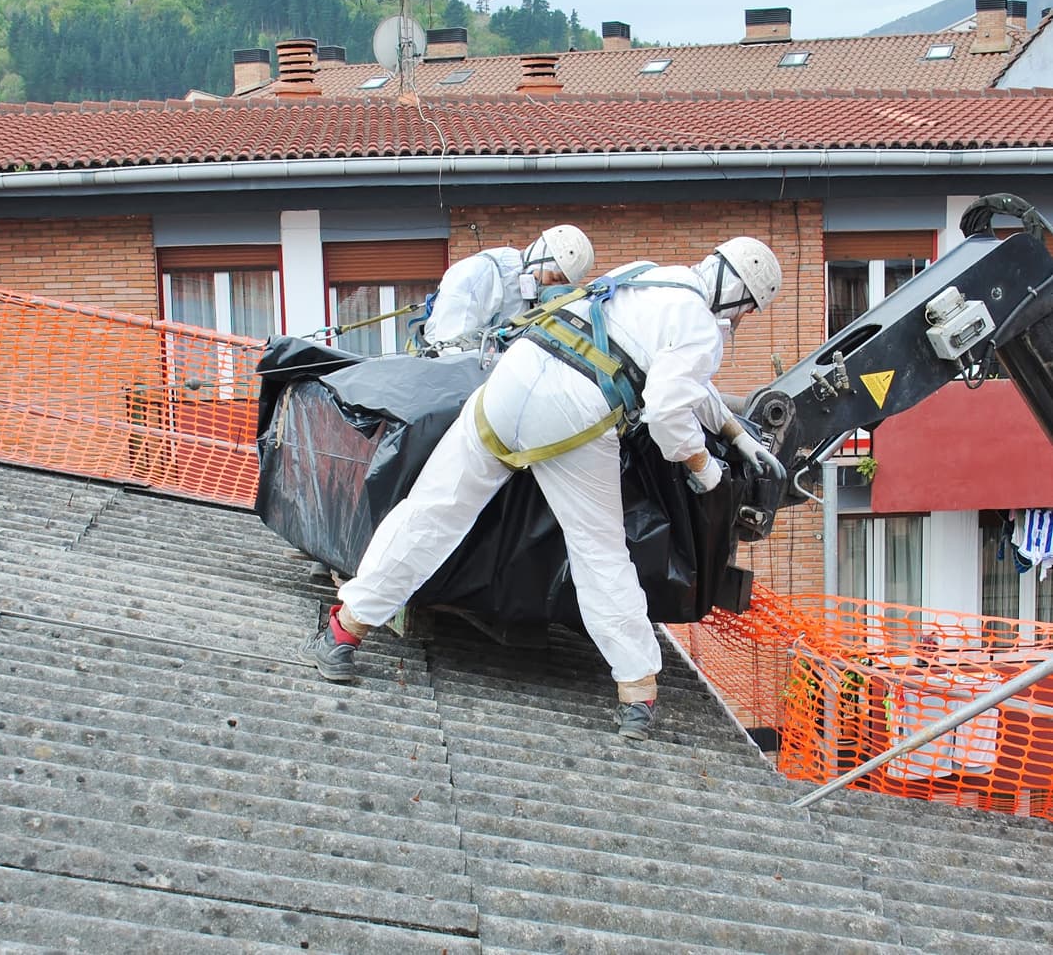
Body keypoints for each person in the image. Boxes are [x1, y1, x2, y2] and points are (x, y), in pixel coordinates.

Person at [300, 236, 786, 741]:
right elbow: (667, 410)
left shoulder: (648, 273)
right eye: (749, 310)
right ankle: (637, 693)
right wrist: (706, 468)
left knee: (432, 512)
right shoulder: (702, 329)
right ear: (742, 298)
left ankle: (342, 634)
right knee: (600, 554)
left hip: (513, 381)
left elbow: (677, 377)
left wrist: (732, 430)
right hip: (572, 416)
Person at [416, 225, 595, 354]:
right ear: (539, 258)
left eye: (561, 284)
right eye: (554, 278)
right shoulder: (478, 273)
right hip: (443, 376)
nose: (552, 288)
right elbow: (452, 350)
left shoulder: (526, 296)